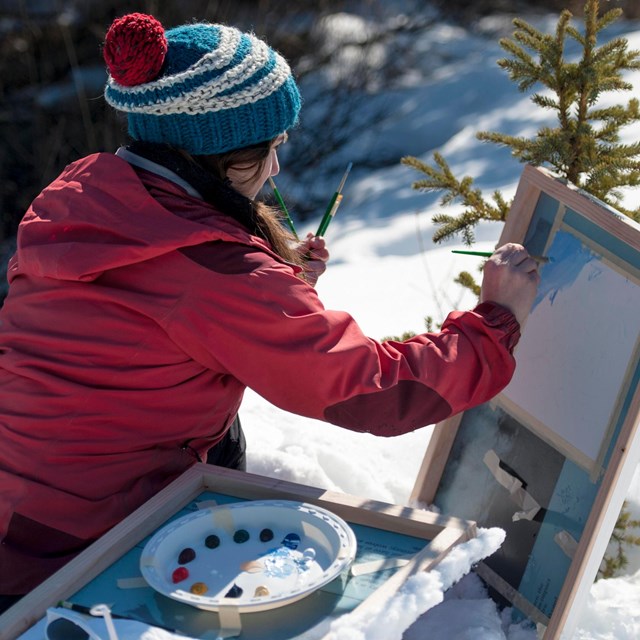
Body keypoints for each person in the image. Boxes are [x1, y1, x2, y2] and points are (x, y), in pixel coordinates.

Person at [0, 13, 539, 613]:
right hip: (72, 547)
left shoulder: (90, 199)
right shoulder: (215, 273)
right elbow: (368, 389)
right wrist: (494, 323)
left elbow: (151, 323)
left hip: (21, 500)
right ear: (219, 153)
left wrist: (270, 294)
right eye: (271, 149)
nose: (278, 169)